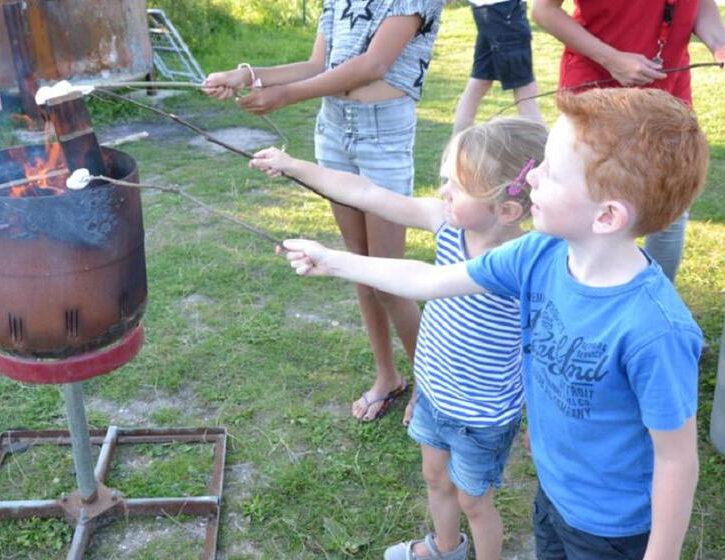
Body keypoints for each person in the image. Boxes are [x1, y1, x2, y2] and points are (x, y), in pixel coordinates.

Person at [279, 88, 707, 559]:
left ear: (606, 216)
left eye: (550, 171)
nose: (531, 179)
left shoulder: (656, 330)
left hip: (613, 526)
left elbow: (676, 458)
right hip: (553, 497)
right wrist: (335, 262)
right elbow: (430, 279)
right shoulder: (538, 255)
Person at [250, 117, 547, 560]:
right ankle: (445, 548)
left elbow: (422, 280)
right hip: (434, 392)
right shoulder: (448, 223)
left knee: (474, 501)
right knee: (434, 477)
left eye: (458, 186)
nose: (444, 191)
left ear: (506, 210)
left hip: (480, 414)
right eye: (446, 179)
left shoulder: (514, 263)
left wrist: (334, 261)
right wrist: (296, 166)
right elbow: (369, 194)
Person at [203, 0, 446, 421]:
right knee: (356, 266)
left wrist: (285, 96)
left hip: (382, 133)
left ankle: (431, 382)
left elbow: (374, 64)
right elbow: (318, 63)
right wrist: (246, 75)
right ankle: (387, 377)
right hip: (333, 130)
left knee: (387, 276)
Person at [531, 0, 725, 283]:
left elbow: (702, 6)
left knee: (669, 208)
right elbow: (543, 10)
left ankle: (654, 297)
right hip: (595, 90)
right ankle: (565, 294)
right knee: (578, 207)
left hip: (666, 95)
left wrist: (720, 44)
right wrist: (611, 59)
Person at [453, 0, 544, 135]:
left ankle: (456, 148)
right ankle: (543, 150)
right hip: (504, 11)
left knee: (480, 82)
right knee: (525, 89)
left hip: (493, 10)